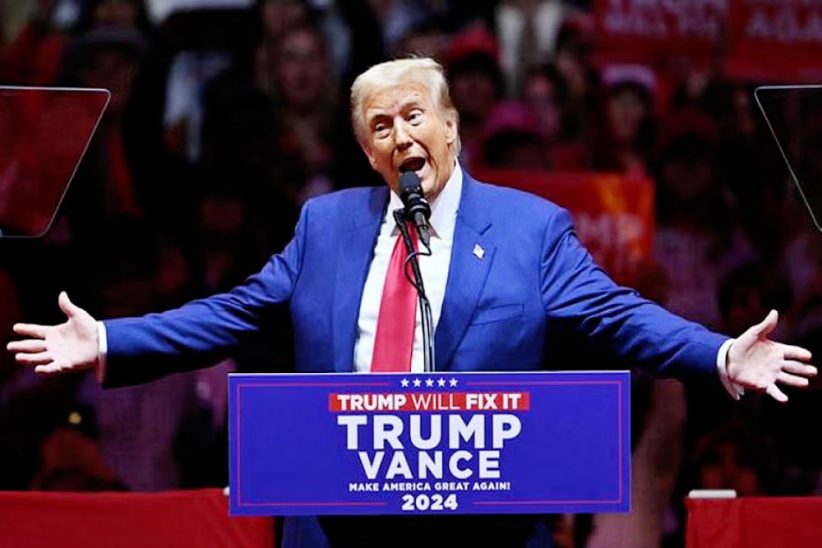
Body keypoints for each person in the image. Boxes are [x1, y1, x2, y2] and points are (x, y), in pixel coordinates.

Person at [7, 58, 816, 547]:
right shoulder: (325, 226)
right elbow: (235, 311)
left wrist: (718, 353)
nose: (400, 135)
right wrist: (110, 340)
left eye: (414, 115)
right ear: (368, 150)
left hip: (485, 525)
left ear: (452, 128)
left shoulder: (529, 230)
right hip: (339, 521)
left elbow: (616, 314)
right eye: (380, 125)